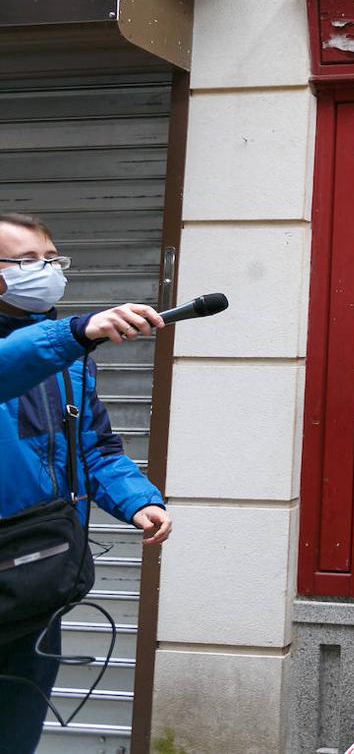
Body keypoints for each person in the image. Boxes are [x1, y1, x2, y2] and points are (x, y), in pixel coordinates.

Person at [0, 212, 172, 754]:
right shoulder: (59, 344)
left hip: (34, 576)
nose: (45, 271)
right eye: (26, 262)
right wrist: (76, 332)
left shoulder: (67, 357)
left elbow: (93, 447)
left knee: (16, 729)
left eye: (51, 260)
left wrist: (139, 500)